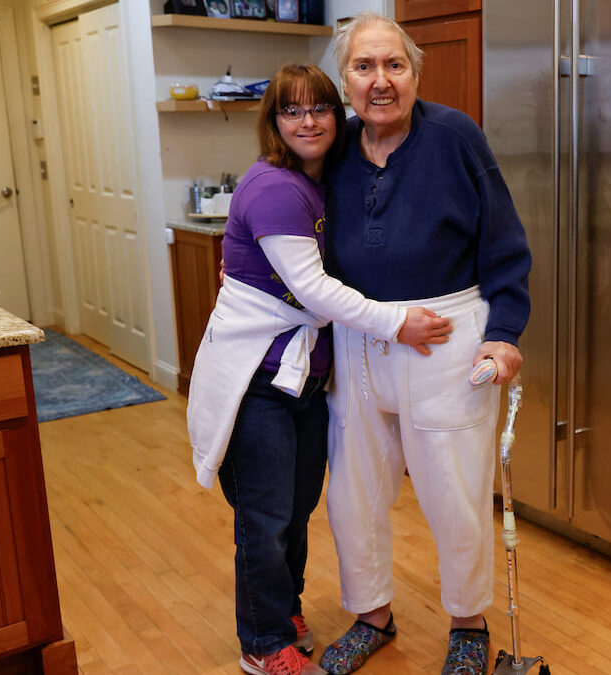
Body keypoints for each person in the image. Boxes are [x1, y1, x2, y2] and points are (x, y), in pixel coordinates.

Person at [186, 63, 451, 675]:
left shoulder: (323, 179)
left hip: (302, 377)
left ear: (339, 116)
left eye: (320, 109)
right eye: (291, 110)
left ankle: (284, 612)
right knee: (265, 513)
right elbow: (312, 291)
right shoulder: (276, 188)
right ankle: (262, 644)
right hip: (261, 379)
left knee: (298, 503)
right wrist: (398, 323)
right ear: (273, 121)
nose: (308, 121)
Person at [317, 12, 532, 675]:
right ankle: (371, 613)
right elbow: (296, 233)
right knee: (353, 489)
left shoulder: (454, 137)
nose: (379, 81)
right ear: (344, 78)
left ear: (414, 73)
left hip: (443, 338)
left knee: (453, 489)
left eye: (394, 65)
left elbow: (504, 242)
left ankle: (469, 623)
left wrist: (503, 333)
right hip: (357, 335)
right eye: (363, 66)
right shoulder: (331, 148)